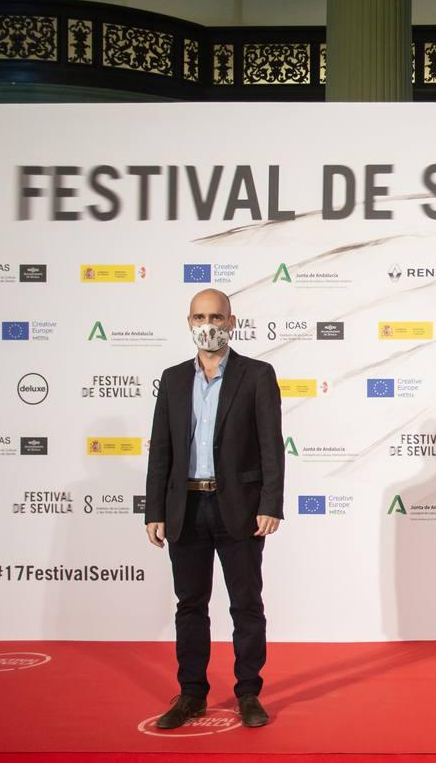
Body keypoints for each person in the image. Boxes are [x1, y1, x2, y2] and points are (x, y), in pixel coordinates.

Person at [144, 288, 284, 729]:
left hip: (239, 508)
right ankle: (191, 694)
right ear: (189, 322)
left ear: (232, 322)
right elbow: (161, 450)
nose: (209, 324)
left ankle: (248, 693)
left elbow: (271, 446)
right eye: (200, 316)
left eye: (217, 317)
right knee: (190, 605)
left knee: (246, 605)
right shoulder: (171, 379)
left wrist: (270, 503)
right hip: (184, 506)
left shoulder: (257, 375)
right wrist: (154, 510)